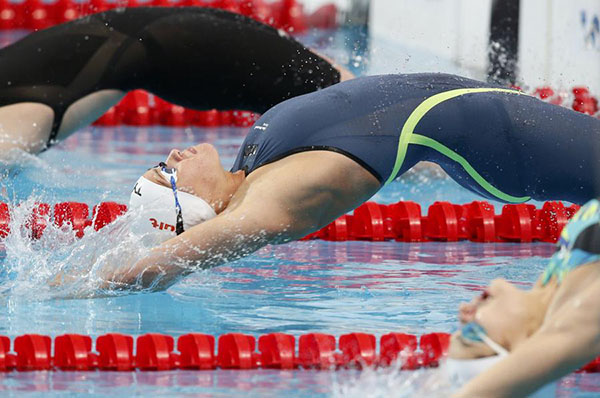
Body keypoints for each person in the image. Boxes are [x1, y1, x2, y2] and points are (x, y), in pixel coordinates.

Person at [105, 73, 600, 292]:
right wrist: (77, 288)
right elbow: (173, 259)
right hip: (504, 142)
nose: (171, 154)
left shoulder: (255, 165)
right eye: (168, 173)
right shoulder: (270, 200)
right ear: (197, 205)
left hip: (495, 120)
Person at [0, 6, 347, 156]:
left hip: (180, 49)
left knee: (347, 111)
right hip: (185, 29)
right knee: (345, 95)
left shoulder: (12, 124)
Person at [445, 198, 600, 397]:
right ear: (525, 349)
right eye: (472, 333)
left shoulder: (552, 286)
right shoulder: (586, 317)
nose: (464, 311)